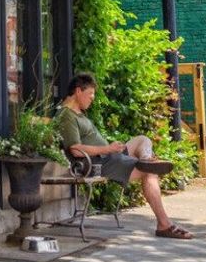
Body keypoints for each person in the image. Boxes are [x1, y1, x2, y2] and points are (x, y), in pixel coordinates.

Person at [56, 72, 193, 239]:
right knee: (150, 172)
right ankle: (164, 225)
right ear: (78, 91)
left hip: (109, 156)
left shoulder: (78, 113)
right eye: (90, 94)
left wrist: (112, 148)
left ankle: (145, 159)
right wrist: (107, 149)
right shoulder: (66, 115)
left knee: (142, 140)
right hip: (99, 163)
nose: (92, 98)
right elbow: (76, 150)